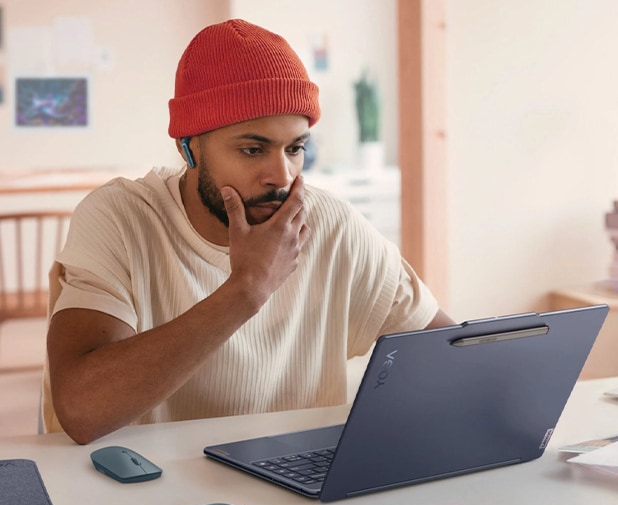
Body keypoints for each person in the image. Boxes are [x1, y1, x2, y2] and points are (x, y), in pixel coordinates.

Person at [42, 18, 453, 445]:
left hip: (296, 496)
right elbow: (82, 410)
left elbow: (450, 354)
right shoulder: (121, 217)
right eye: (252, 149)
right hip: (148, 492)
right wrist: (247, 289)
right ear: (188, 146)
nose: (281, 175)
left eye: (295, 148)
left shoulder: (332, 225)